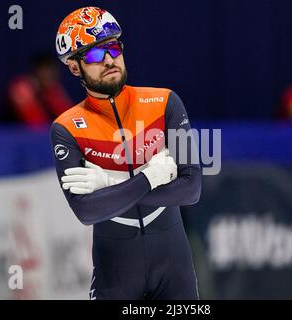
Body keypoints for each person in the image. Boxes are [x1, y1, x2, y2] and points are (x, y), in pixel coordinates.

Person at [50, 7, 202, 300]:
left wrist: (109, 185)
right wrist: (149, 177)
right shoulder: (66, 128)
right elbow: (86, 211)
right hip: (115, 268)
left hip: (173, 262)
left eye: (113, 47)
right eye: (94, 54)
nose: (109, 60)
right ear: (73, 67)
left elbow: (191, 189)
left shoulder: (166, 102)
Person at [4, 52, 72, 126]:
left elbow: (70, 119)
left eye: (54, 70)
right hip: (7, 135)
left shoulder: (52, 89)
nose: (52, 75)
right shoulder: (20, 89)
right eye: (47, 70)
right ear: (37, 71)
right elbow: (37, 124)